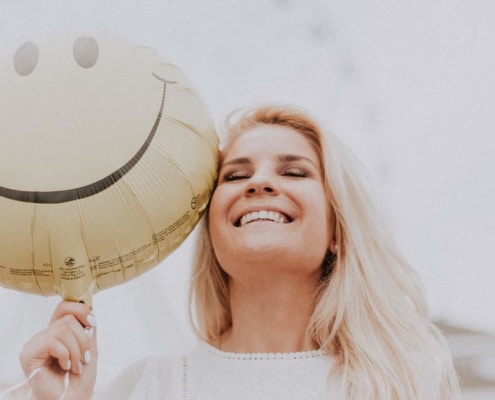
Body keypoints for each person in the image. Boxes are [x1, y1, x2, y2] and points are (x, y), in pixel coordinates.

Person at [19, 104, 460, 399]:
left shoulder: (408, 382)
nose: (259, 183)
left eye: (294, 171)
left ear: (337, 231)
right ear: (212, 231)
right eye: (235, 176)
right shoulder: (150, 386)